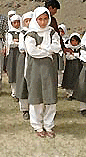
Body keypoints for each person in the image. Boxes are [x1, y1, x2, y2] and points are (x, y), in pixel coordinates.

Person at [24, 7, 61, 138]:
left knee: (50, 98)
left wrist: (42, 48)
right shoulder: (30, 34)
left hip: (49, 70)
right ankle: (37, 125)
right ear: (36, 19)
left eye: (45, 19)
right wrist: (48, 51)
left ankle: (49, 124)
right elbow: (32, 51)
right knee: (37, 98)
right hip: (35, 70)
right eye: (40, 19)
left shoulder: (52, 33)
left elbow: (57, 47)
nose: (43, 22)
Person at [16, 11, 33, 120]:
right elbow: (22, 47)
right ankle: (25, 109)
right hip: (24, 58)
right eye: (26, 21)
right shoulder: (22, 33)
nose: (28, 23)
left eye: (30, 20)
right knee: (23, 83)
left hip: (35, 59)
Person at [61, 33, 83, 100]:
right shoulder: (68, 47)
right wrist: (74, 55)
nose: (74, 42)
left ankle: (76, 94)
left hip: (78, 66)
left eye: (76, 41)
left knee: (77, 78)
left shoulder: (81, 48)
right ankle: (69, 94)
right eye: (72, 41)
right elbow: (68, 57)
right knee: (69, 78)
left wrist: (74, 54)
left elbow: (81, 56)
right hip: (69, 66)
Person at [6, 14, 21, 99]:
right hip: (12, 54)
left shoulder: (22, 31)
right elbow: (10, 43)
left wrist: (16, 42)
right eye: (14, 22)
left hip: (20, 54)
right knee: (12, 72)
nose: (16, 24)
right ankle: (14, 92)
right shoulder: (9, 33)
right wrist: (17, 43)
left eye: (18, 22)